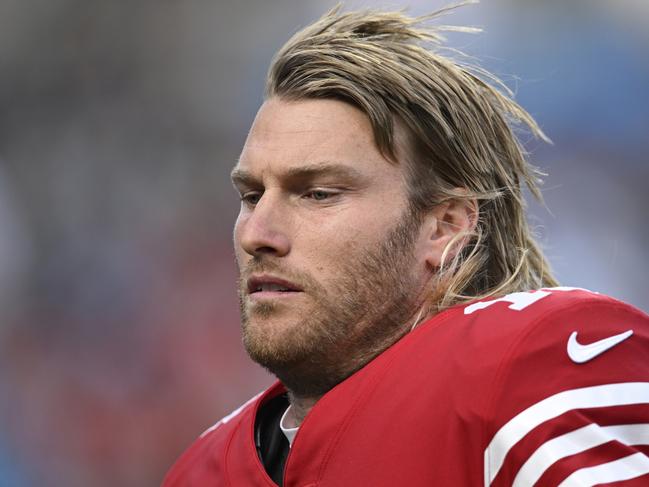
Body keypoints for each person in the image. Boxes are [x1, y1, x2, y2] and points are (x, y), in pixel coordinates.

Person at [163, 5, 649, 486]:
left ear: (444, 227)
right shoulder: (198, 470)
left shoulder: (533, 362)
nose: (256, 234)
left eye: (318, 194)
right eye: (251, 196)